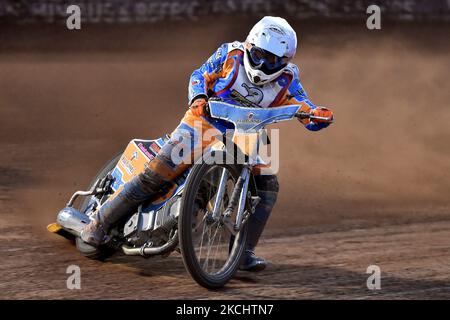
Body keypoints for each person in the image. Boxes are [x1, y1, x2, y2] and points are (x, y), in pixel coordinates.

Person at [81, 16, 333, 272]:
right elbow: (199, 75)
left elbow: (304, 106)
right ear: (249, 46)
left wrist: (317, 115)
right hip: (202, 124)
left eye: (271, 61)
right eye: (258, 55)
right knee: (156, 174)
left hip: (246, 135)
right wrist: (199, 97)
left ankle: (243, 252)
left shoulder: (288, 79)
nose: (262, 65)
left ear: (285, 62)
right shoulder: (230, 54)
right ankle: (99, 222)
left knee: (267, 184)